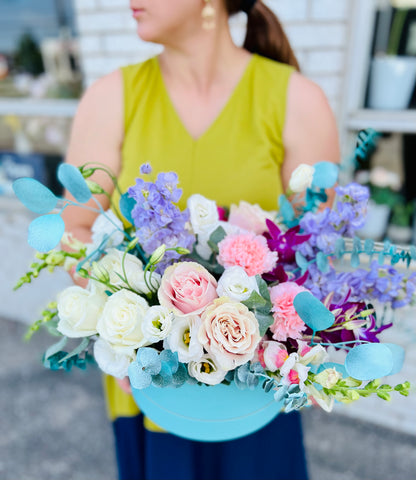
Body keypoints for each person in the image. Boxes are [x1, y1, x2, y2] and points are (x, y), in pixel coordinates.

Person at [63, 1, 340, 479]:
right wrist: (127, 328)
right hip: (151, 387)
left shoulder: (298, 100)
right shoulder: (111, 97)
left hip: (254, 388)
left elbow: (318, 251)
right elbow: (77, 231)